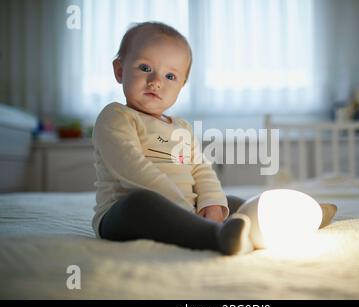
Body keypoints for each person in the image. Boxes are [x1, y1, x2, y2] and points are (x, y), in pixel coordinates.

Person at [92, 21, 336, 256]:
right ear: (119, 70)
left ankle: (301, 216)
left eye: (170, 76)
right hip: (120, 215)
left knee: (228, 202)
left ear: (182, 85)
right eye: (145, 68)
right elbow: (133, 169)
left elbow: (201, 169)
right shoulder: (116, 116)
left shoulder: (182, 127)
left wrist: (211, 205)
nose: (156, 82)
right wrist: (185, 209)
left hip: (185, 206)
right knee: (141, 203)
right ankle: (217, 237)